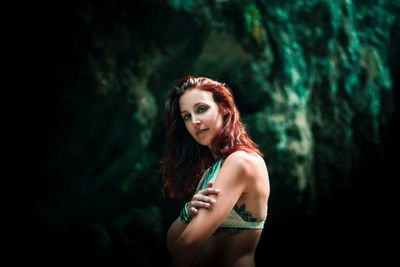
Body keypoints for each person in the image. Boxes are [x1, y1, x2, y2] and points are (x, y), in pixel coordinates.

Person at [161, 75, 270, 267]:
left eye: (201, 109)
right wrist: (188, 212)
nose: (194, 121)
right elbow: (173, 244)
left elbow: (186, 245)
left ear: (224, 108)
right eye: (187, 116)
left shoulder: (241, 162)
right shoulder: (215, 169)